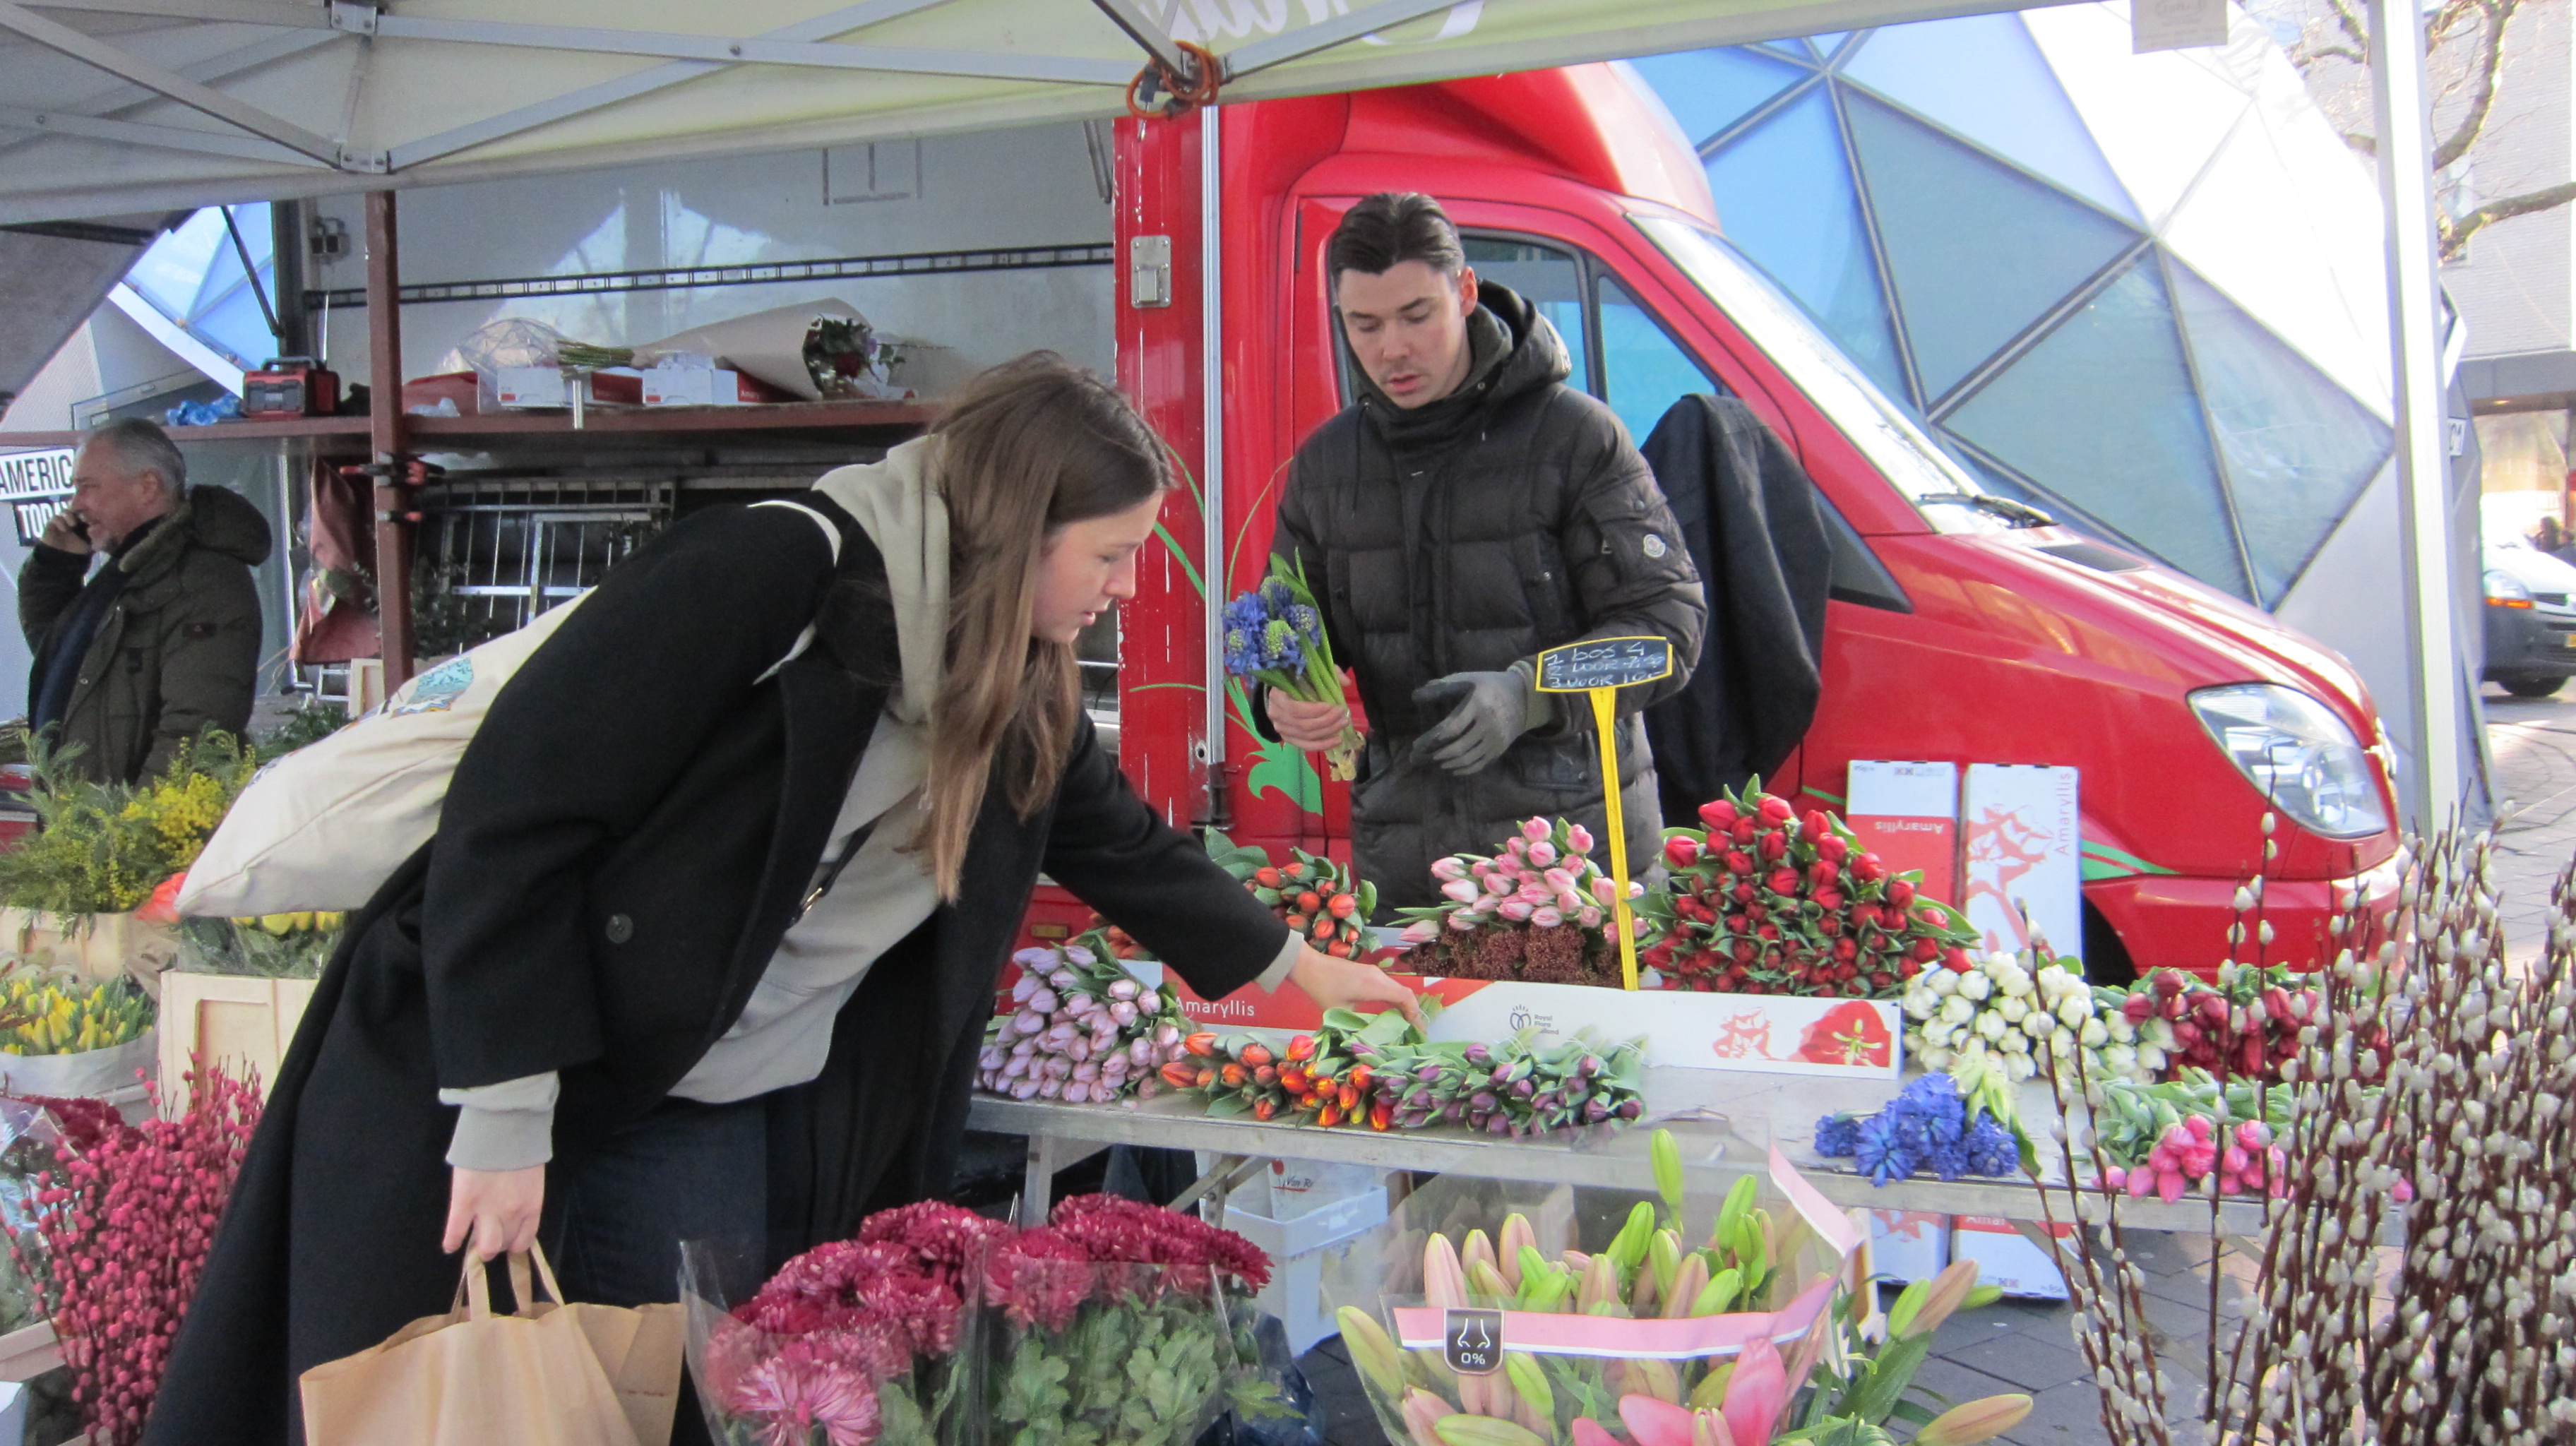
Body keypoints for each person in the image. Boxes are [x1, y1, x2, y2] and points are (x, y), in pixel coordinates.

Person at [144, 354, 1419, 1445]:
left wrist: (1290, 970)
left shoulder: (1004, 668)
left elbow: (1115, 840)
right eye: (1111, 555)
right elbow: (516, 810)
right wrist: (502, 1112)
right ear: (1020, 524)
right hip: (571, 1064)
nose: (1125, 590)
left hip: (741, 1087)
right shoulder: (773, 573)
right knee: (626, 1388)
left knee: (721, 1383)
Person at [1266, 193, 1707, 911]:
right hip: (1408, 867)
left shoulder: (1576, 438)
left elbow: (1668, 632)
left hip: (1578, 866)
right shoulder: (1325, 465)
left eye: (1417, 315)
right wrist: (1284, 695)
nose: (1392, 349)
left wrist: (1531, 694)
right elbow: (1284, 628)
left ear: (1465, 293)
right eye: (1364, 324)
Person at [19, 417, 269, 782]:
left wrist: (140, 830)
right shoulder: (129, 570)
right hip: (88, 821)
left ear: (147, 486)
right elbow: (63, 663)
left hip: (129, 827)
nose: (77, 505)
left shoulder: (200, 579)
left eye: (88, 487)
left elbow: (197, 730)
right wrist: (56, 567)